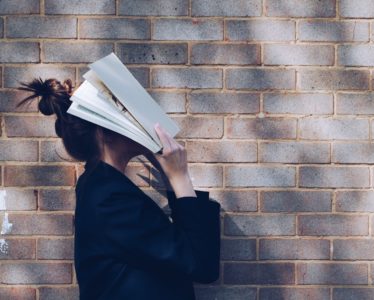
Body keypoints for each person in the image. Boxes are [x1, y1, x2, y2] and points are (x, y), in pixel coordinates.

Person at [16, 78, 221, 300]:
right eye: (127, 115)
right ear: (104, 131)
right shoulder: (109, 197)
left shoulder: (102, 186)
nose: (139, 122)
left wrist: (170, 175)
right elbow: (200, 264)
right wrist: (180, 177)